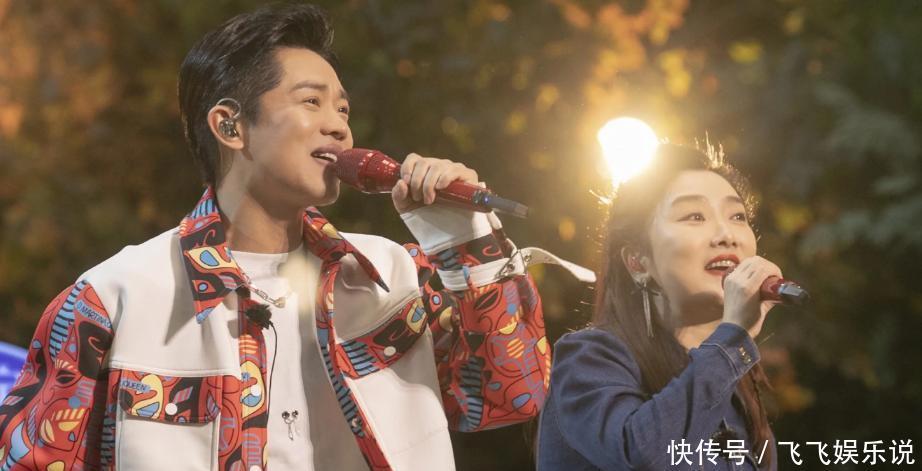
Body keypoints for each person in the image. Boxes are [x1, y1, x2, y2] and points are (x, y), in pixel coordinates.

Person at [0, 4, 556, 470]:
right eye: (311, 101)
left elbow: (515, 395)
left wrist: (465, 237)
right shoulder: (114, 297)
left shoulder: (398, 277)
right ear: (230, 126)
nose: (339, 125)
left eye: (343, 108)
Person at [537, 143, 778, 470]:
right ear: (638, 261)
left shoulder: (737, 390)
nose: (727, 234)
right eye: (695, 216)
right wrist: (733, 339)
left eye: (737, 216)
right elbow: (641, 456)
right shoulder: (589, 358)